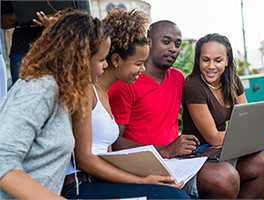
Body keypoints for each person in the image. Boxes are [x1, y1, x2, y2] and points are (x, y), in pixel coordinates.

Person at [61, 8, 191, 200]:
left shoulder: (104, 94)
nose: (143, 69)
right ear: (116, 60)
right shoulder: (88, 91)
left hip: (100, 181)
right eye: (138, 63)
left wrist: (149, 176)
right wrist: (142, 181)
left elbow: (109, 156)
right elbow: (84, 158)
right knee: (176, 198)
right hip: (81, 186)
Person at [109, 20, 245, 199]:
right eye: (166, 42)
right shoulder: (126, 83)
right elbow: (114, 142)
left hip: (179, 160)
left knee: (261, 162)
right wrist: (164, 150)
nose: (173, 48)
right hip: (146, 163)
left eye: (178, 44)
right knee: (223, 177)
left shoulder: (178, 78)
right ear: (148, 42)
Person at [0, 10, 109, 199]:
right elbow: (3, 162)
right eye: (101, 59)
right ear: (80, 58)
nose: (105, 66)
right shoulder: (39, 89)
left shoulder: (62, 92)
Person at [182, 33, 264, 199]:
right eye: (205, 59)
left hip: (224, 148)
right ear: (198, 60)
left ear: (227, 60)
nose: (211, 66)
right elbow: (213, 137)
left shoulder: (232, 81)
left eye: (218, 60)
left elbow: (249, 121)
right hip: (201, 151)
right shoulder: (194, 86)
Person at [0, 0, 91, 85]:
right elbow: (3, 22)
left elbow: (87, 23)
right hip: (24, 52)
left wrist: (59, 23)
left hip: (66, 50)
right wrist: (27, 12)